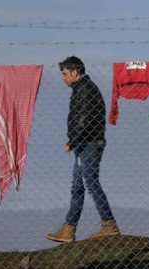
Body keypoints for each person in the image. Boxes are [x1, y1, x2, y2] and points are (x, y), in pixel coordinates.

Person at [45, 56, 120, 243]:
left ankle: (109, 224)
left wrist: (72, 141)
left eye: (64, 74)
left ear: (74, 72)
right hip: (84, 143)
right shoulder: (82, 89)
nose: (63, 78)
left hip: (89, 143)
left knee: (90, 182)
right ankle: (68, 229)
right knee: (78, 187)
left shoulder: (85, 90)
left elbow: (84, 119)